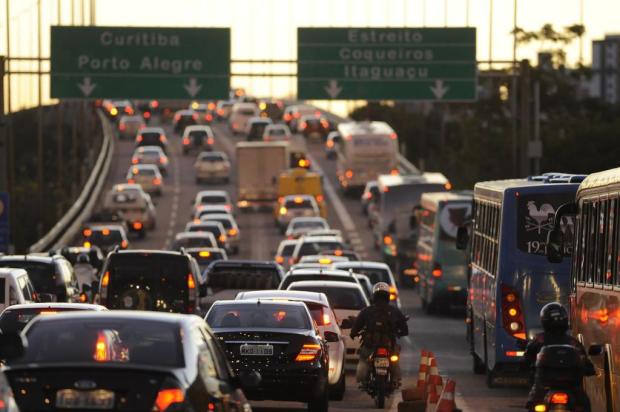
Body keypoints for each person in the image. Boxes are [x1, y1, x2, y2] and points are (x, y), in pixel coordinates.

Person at [524, 302, 595, 411]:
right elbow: (585, 361)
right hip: (569, 387)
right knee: (584, 404)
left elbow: (527, 358)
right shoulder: (573, 342)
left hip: (545, 386)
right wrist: (589, 368)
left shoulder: (539, 340)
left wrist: (526, 365)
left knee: (534, 402)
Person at [350, 282, 409, 389]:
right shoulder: (394, 310)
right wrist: (401, 333)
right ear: (387, 296)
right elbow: (404, 328)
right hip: (388, 345)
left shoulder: (367, 311)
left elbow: (357, 326)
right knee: (394, 359)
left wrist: (353, 333)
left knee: (364, 358)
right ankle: (395, 380)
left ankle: (363, 381)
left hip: (370, 344)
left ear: (374, 296)